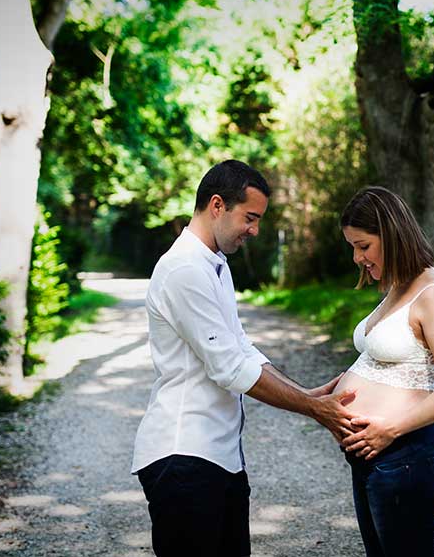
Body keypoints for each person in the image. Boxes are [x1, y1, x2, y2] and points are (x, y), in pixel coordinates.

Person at [131, 159, 356, 557]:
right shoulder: (184, 268)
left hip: (221, 459)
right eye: (250, 218)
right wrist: (312, 408)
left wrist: (305, 392)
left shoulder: (215, 263)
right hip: (184, 457)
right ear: (217, 205)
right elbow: (229, 367)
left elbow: (242, 347)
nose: (254, 230)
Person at [333, 186, 434, 557]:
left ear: (391, 234)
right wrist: (312, 399)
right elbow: (375, 363)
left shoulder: (433, 296)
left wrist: (388, 430)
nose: (357, 257)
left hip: (407, 458)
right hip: (374, 458)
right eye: (353, 247)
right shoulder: (398, 288)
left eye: (363, 246)